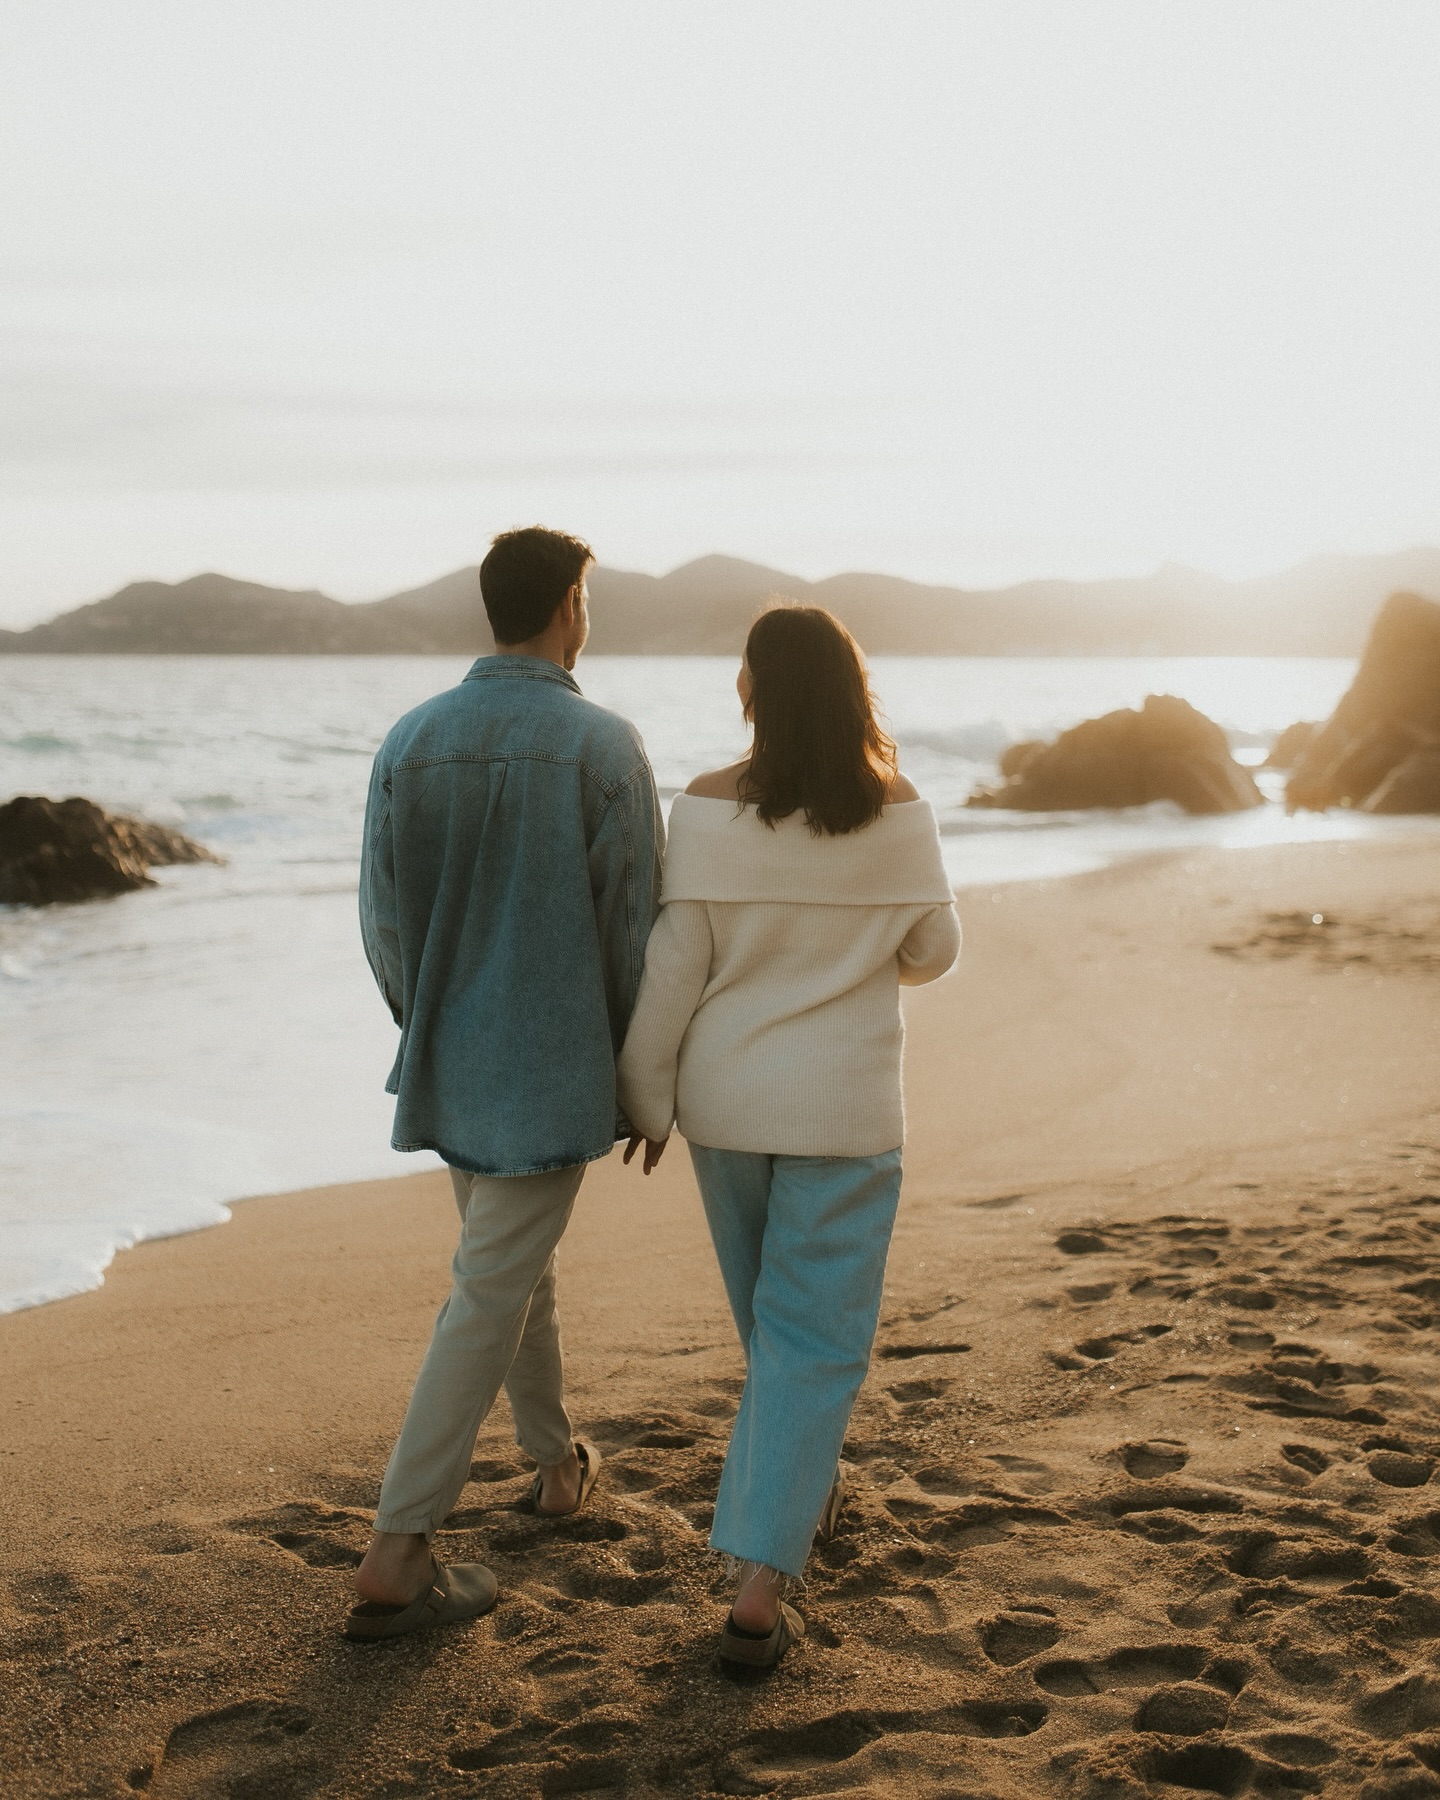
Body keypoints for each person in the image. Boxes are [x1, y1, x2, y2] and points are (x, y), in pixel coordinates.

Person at [617, 604, 961, 1670]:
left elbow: (673, 971)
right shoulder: (897, 808)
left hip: (726, 1108)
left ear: (752, 689)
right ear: (854, 688)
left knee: (775, 1332)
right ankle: (761, 1588)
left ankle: (798, 1496)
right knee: (811, 1342)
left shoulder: (705, 806)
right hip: (844, 1114)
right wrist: (858, 933)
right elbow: (934, 951)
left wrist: (646, 1102)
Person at [346, 526, 664, 1642]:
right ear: (571, 605)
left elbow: (382, 919)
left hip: (453, 1062)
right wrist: (636, 1076)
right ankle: (399, 1549)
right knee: (487, 1290)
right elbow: (635, 934)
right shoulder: (604, 746)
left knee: (510, 1266)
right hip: (552, 1066)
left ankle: (556, 1468)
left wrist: (430, 1021)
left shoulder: (411, 738)